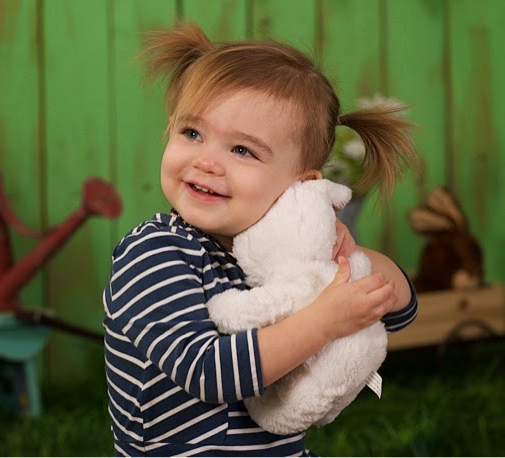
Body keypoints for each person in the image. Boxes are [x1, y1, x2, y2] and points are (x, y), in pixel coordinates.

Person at [103, 21, 421, 457]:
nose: (207, 161)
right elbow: (207, 372)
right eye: (192, 133)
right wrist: (323, 321)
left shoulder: (279, 253)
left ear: (302, 184)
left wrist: (350, 255)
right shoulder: (154, 253)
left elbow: (401, 309)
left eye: (242, 150)